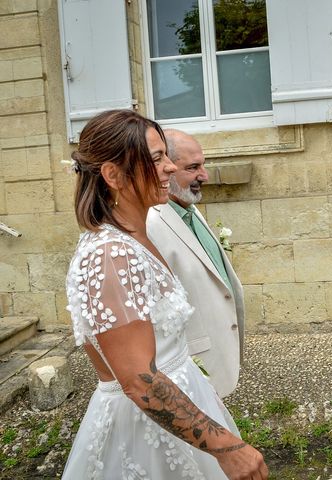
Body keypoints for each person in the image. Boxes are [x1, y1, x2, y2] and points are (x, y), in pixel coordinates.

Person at [63, 110, 268, 480]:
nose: (171, 168)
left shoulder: (135, 238)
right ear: (114, 175)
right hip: (147, 438)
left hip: (183, 409)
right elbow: (138, 379)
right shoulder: (110, 255)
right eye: (156, 159)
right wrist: (226, 447)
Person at [147, 129, 244, 399]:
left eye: (202, 165)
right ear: (166, 169)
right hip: (189, 368)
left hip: (217, 354)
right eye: (193, 167)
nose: (205, 175)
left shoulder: (188, 207)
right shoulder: (149, 224)